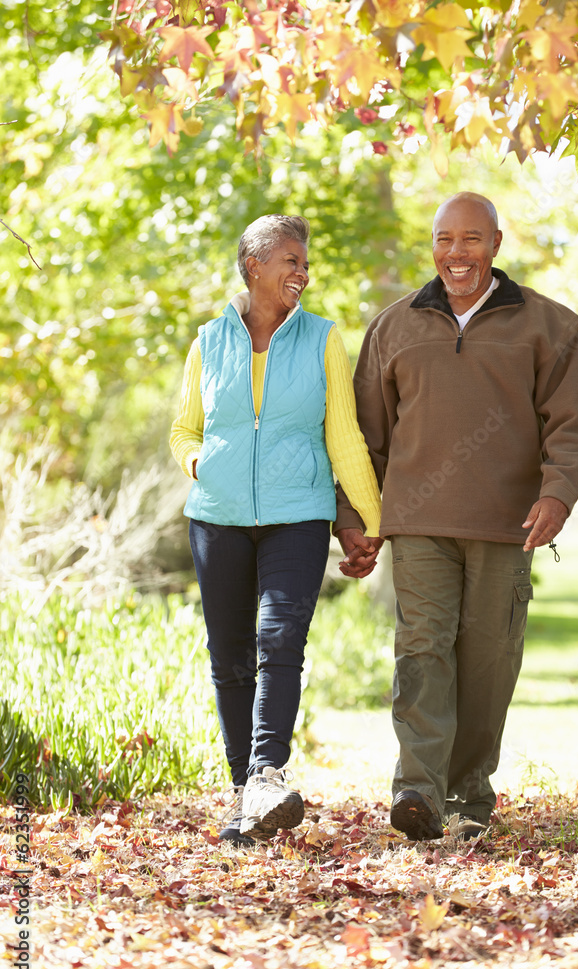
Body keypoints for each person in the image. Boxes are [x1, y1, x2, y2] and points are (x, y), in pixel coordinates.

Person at [335, 192, 578, 842]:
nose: (456, 253)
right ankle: (418, 790)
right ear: (432, 247)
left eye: (471, 239)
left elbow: (568, 426)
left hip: (506, 525)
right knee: (421, 651)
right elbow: (366, 438)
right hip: (417, 523)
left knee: (487, 661)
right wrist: (354, 518)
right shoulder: (393, 327)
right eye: (445, 239)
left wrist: (556, 494)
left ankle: (468, 793)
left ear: (496, 245)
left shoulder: (549, 326)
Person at [170, 215, 381, 845]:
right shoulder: (209, 340)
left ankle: (266, 773)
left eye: (305, 262)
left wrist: (371, 520)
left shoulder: (322, 339)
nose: (303, 273)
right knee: (229, 657)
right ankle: (245, 799)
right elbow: (185, 429)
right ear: (254, 265)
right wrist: (200, 462)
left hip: (298, 514)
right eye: (290, 260)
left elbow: (342, 434)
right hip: (218, 517)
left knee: (279, 638)